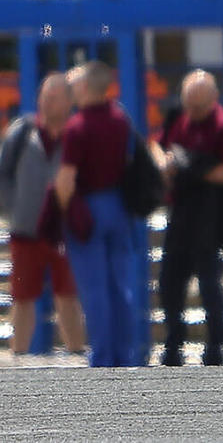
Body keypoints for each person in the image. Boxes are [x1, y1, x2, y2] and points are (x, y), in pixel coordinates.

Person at [51, 61, 140, 367]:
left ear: (86, 87)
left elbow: (65, 180)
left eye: (74, 84)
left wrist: (62, 210)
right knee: (121, 284)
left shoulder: (77, 127)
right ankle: (125, 354)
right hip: (118, 205)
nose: (71, 90)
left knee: (94, 287)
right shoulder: (120, 119)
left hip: (88, 208)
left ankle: (102, 357)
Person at [153, 70, 223, 367]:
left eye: (199, 107)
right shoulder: (179, 119)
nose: (192, 113)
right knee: (169, 281)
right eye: (189, 105)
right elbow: (155, 144)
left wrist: (196, 169)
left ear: (213, 100)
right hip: (181, 211)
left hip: (210, 213)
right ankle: (174, 341)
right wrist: (167, 163)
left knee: (209, 283)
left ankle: (216, 346)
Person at [0, 73, 86, 355]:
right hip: (26, 232)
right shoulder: (21, 132)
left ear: (69, 101)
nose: (46, 103)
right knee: (22, 296)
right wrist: (16, 207)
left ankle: (77, 354)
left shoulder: (77, 134)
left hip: (65, 232)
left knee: (68, 295)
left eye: (53, 98)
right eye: (43, 97)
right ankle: (18, 356)